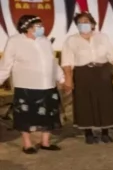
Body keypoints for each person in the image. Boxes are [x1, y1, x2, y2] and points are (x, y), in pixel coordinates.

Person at [0, 15, 65, 154]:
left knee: (49, 114)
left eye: (41, 26)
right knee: (26, 116)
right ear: (27, 28)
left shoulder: (45, 41)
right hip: (26, 85)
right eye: (38, 26)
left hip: (48, 85)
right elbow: (5, 65)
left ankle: (45, 142)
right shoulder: (15, 41)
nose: (42, 28)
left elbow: (52, 62)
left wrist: (62, 78)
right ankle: (27, 144)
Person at [60, 12, 113, 144]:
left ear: (92, 24)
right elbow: (67, 61)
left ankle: (105, 132)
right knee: (84, 103)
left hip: (102, 72)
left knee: (105, 102)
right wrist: (68, 79)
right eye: (80, 23)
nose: (83, 25)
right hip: (83, 73)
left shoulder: (102, 37)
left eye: (86, 22)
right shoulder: (71, 40)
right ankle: (88, 133)